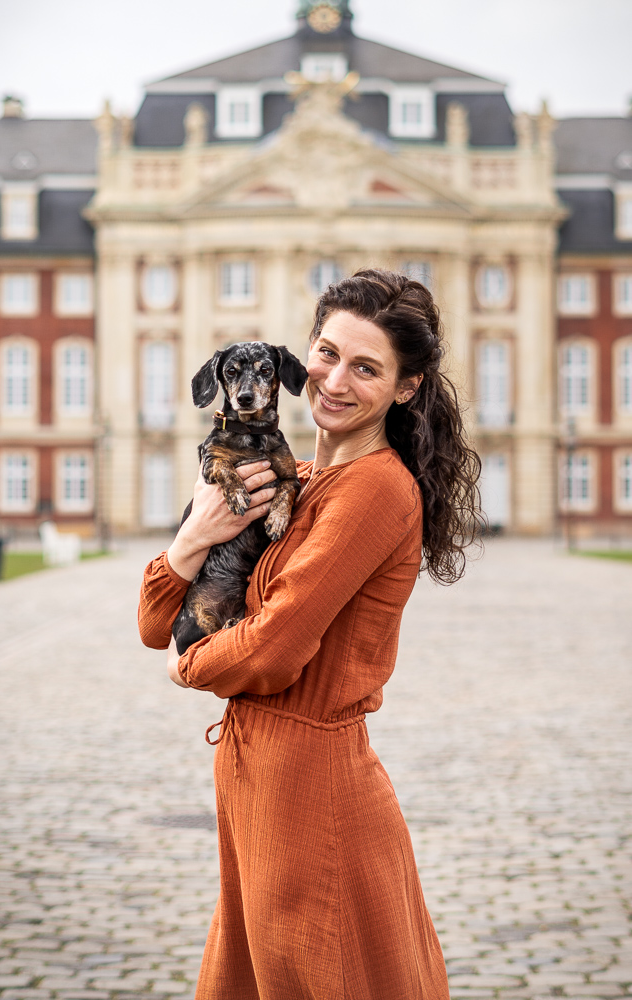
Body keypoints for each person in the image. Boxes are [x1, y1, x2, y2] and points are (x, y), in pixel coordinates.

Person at [138, 268, 481, 1000]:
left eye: (366, 367)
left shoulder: (373, 490)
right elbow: (151, 622)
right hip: (256, 777)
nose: (333, 379)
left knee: (314, 975)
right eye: (326, 353)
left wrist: (187, 670)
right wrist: (190, 539)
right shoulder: (282, 477)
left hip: (309, 787)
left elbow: (272, 647)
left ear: (405, 387)